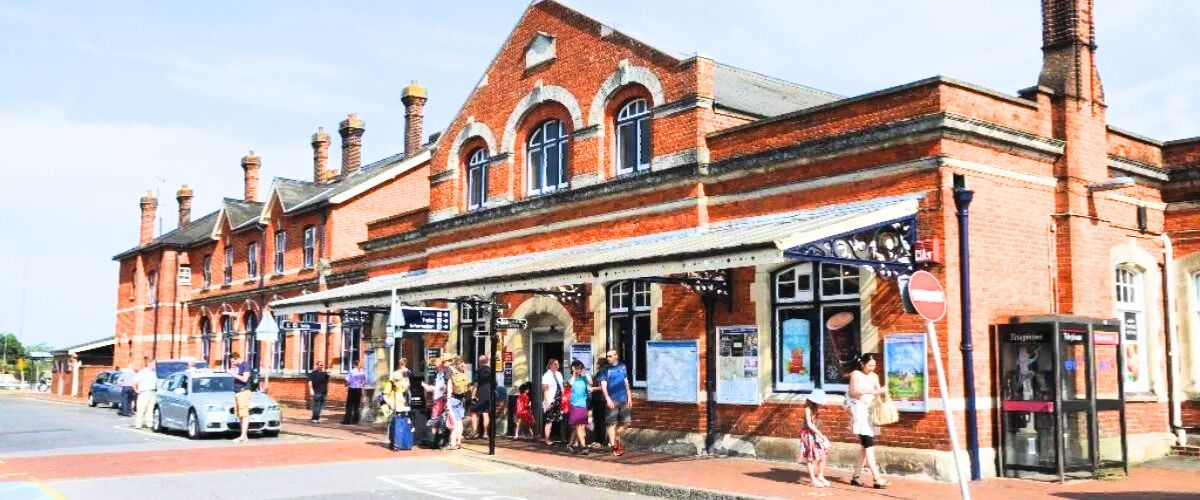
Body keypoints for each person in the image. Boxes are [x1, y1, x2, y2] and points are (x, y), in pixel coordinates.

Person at [847, 353, 888, 488]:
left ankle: (856, 477)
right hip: (860, 412)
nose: (872, 368)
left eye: (874, 365)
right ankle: (877, 478)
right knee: (869, 445)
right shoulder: (856, 374)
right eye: (870, 365)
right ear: (863, 364)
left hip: (871, 412)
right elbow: (853, 392)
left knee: (865, 447)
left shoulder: (874, 376)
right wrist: (870, 391)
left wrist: (882, 391)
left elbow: (878, 390)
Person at [599, 350, 632, 456]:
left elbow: (626, 382)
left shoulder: (622, 367)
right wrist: (607, 398)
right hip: (612, 399)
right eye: (607, 356)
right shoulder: (605, 369)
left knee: (627, 422)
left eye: (610, 356)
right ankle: (614, 446)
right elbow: (603, 385)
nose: (608, 358)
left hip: (623, 398)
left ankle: (617, 436)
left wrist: (629, 396)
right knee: (611, 423)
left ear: (616, 356)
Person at [799, 389, 831, 488]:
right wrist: (821, 435)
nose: (821, 404)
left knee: (823, 455)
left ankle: (820, 476)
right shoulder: (807, 409)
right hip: (807, 434)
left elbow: (825, 407)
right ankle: (813, 479)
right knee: (810, 457)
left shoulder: (816, 407)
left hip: (815, 433)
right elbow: (809, 424)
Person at [566, 360, 594, 455]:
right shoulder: (572, 378)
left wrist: (586, 372)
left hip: (583, 405)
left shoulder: (584, 378)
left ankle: (570, 445)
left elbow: (591, 383)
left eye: (580, 368)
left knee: (579, 426)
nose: (579, 370)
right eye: (577, 368)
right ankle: (583, 446)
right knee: (579, 426)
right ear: (573, 368)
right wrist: (574, 373)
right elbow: (570, 384)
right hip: (575, 405)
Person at [383, 368, 412, 451]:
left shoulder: (402, 382)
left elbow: (405, 390)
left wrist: (406, 378)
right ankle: (392, 441)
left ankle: (398, 441)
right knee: (392, 423)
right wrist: (390, 404)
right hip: (392, 405)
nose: (398, 381)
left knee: (399, 423)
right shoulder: (390, 383)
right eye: (397, 380)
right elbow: (385, 396)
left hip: (400, 405)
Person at [446, 356, 470, 449]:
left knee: (454, 421)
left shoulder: (451, 371)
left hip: (453, 399)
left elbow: (449, 386)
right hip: (461, 399)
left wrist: (448, 399)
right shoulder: (463, 372)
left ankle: (452, 443)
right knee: (459, 421)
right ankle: (459, 441)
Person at [540, 358, 564, 446]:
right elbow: (545, 389)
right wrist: (547, 401)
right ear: (550, 365)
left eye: (557, 364)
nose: (557, 366)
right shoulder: (546, 375)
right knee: (549, 420)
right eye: (555, 364)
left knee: (560, 418)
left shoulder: (559, 374)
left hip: (559, 399)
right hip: (551, 399)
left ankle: (562, 437)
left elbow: (561, 386)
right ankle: (547, 438)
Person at [230, 352, 253, 443]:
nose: (233, 363)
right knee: (240, 414)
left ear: (237, 358)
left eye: (233, 361)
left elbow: (245, 378)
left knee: (244, 414)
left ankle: (243, 436)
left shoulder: (245, 365)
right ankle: (244, 436)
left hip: (243, 392)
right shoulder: (239, 366)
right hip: (238, 392)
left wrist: (233, 374)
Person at [470, 354, 494, 440]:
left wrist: (473, 395)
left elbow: (476, 384)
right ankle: (485, 433)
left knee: (473, 413)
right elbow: (495, 384)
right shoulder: (491, 371)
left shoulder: (478, 371)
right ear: (487, 361)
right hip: (488, 395)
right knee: (485, 413)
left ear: (479, 362)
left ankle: (474, 433)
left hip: (479, 394)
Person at [132, 358, 157, 429]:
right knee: (141, 408)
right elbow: (134, 382)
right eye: (153, 364)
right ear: (149, 364)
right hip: (144, 392)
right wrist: (136, 390)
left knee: (150, 408)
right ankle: (138, 424)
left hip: (153, 392)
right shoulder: (143, 372)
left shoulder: (155, 373)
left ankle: (149, 423)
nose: (154, 366)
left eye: (155, 365)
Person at [343, 360, 366, 425]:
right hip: (358, 389)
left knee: (349, 405)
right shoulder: (362, 372)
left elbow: (348, 380)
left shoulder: (352, 371)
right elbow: (364, 381)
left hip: (352, 389)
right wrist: (361, 385)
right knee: (357, 405)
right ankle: (355, 420)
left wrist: (346, 385)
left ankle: (347, 420)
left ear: (354, 365)